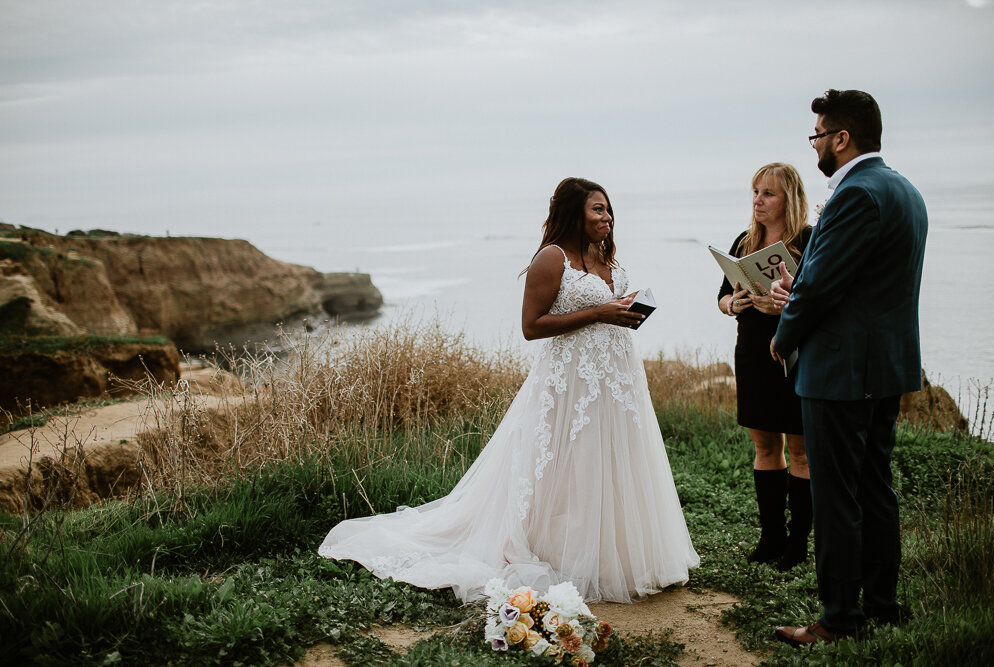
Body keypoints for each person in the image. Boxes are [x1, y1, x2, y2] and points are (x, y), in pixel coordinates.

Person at [319, 177, 699, 603]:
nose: (607, 217)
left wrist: (622, 308)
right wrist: (598, 312)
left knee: (613, 459)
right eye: (597, 209)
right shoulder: (551, 259)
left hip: (616, 376)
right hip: (569, 380)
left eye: (609, 209)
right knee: (566, 463)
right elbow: (531, 327)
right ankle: (564, 552)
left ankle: (620, 557)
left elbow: (603, 308)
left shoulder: (601, 254)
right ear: (574, 213)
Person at [770, 90, 928, 645]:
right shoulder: (903, 190)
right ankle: (882, 605)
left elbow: (820, 291)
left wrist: (783, 334)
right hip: (884, 367)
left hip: (840, 372)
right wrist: (802, 285)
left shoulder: (855, 193)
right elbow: (859, 283)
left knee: (838, 498)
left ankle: (838, 619)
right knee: (875, 487)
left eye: (816, 135)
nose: (814, 145)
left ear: (841, 138)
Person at [717, 163, 813, 570]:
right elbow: (723, 298)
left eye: (768, 193)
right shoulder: (744, 241)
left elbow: (819, 300)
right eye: (755, 192)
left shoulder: (810, 240)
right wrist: (733, 304)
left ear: (788, 198)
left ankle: (798, 543)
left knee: (802, 451)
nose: (758, 200)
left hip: (794, 352)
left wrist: (785, 304)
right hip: (753, 351)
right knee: (764, 446)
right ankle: (771, 535)